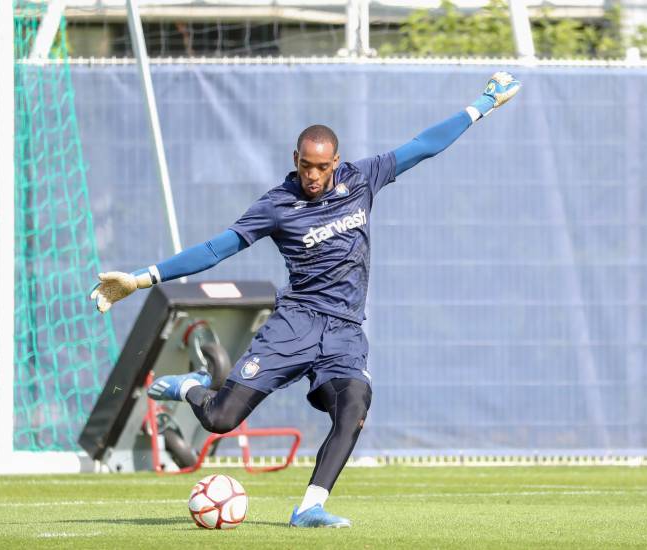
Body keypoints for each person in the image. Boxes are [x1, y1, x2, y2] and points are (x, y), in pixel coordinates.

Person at [91, 71, 521, 528]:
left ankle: (309, 506)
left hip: (344, 333)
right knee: (220, 419)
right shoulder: (277, 205)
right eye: (305, 166)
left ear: (336, 161)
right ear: (295, 158)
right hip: (294, 325)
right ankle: (191, 386)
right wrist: (141, 279)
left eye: (322, 166)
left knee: (354, 405)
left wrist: (482, 105)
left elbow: (422, 145)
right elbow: (216, 249)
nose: (313, 175)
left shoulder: (362, 179)